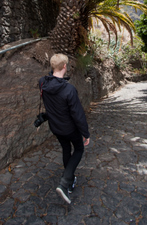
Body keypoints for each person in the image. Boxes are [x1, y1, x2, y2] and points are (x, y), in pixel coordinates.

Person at [39, 54, 90, 204]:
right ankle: (64, 182)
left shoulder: (43, 83)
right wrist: (85, 133)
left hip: (55, 127)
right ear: (65, 67)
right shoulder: (69, 89)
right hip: (70, 129)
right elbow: (78, 115)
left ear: (52, 66)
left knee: (66, 149)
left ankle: (70, 181)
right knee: (79, 149)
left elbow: (50, 82)